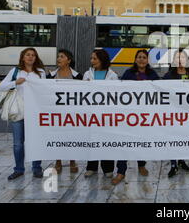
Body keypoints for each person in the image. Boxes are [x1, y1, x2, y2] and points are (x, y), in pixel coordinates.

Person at [112, 50, 160, 185]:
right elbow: (121, 90)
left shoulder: (152, 74)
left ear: (147, 60)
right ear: (135, 59)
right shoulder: (128, 73)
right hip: (129, 114)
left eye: (144, 57)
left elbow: (160, 88)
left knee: (142, 142)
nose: (141, 60)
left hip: (145, 115)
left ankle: (141, 165)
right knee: (124, 143)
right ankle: (121, 171)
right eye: (139, 57)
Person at [0, 48, 46, 180]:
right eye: (28, 55)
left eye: (33, 55)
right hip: (18, 112)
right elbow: (1, 86)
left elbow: (44, 90)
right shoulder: (15, 71)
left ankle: (37, 168)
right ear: (23, 57)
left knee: (35, 141)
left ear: (36, 58)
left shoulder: (41, 72)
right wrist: (15, 82)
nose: (31, 57)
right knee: (18, 143)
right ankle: (19, 169)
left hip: (35, 113)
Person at [46, 49, 83, 174]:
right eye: (58, 57)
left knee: (72, 136)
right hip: (56, 112)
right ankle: (58, 161)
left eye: (62, 57)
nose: (58, 59)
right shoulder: (50, 75)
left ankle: (72, 161)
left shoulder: (78, 76)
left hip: (72, 113)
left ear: (69, 60)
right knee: (58, 136)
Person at [83, 49, 119, 178]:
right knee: (92, 140)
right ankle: (91, 167)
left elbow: (116, 95)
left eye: (95, 59)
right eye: (91, 58)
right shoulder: (87, 74)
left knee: (106, 141)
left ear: (102, 60)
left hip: (106, 115)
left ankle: (108, 168)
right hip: (91, 114)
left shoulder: (112, 75)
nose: (92, 61)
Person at [163, 49, 189, 178]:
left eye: (182, 58)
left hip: (187, 114)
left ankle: (182, 161)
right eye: (177, 58)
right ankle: (173, 164)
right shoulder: (168, 76)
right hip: (173, 114)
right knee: (173, 138)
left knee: (184, 138)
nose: (180, 61)